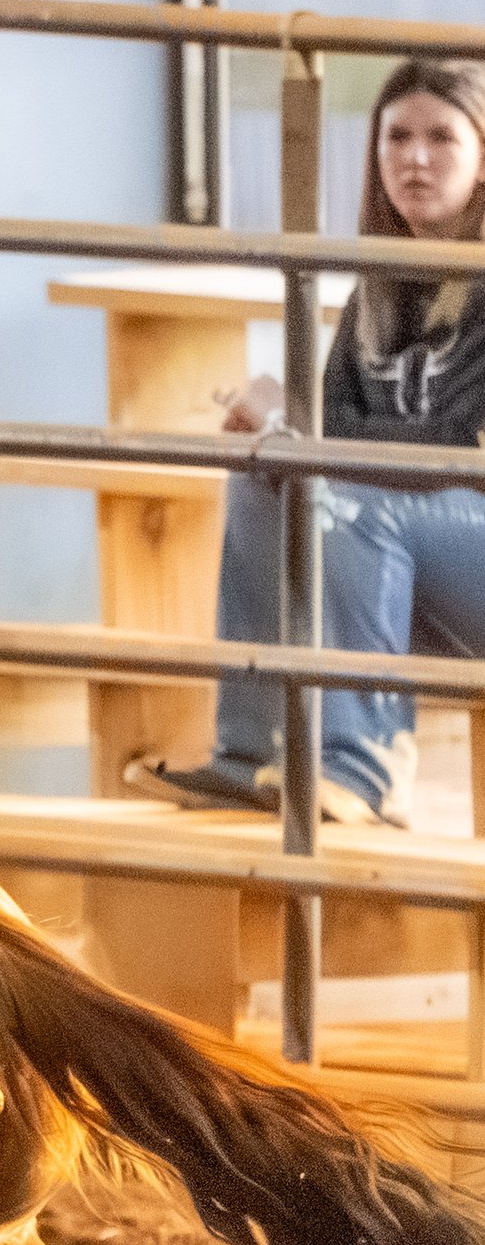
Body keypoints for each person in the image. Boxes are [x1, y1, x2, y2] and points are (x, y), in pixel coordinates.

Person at [133, 57, 485, 831]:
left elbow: (464, 444)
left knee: (346, 497)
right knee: (266, 478)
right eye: (396, 136)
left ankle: (366, 773)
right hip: (412, 568)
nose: (414, 158)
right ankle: (250, 751)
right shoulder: (378, 287)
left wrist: (296, 423)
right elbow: (326, 439)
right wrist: (285, 435)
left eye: (442, 138)